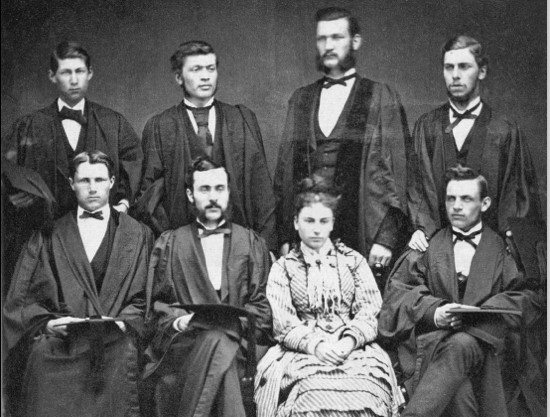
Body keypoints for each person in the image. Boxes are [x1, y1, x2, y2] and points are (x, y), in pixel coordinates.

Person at [378, 166, 542, 417]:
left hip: (494, 358)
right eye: (451, 199)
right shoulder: (427, 247)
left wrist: (486, 314)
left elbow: (530, 297)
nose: (456, 206)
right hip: (437, 354)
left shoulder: (504, 249)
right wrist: (434, 312)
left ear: (485, 203)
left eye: (466, 199)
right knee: (459, 380)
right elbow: (396, 298)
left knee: (464, 345)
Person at [3, 150, 153, 417]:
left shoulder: (138, 235)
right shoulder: (50, 233)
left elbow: (145, 299)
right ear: (72, 184)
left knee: (123, 356)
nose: (93, 188)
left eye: (99, 179)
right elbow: (24, 300)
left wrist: (124, 323)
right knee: (42, 357)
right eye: (84, 180)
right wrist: (46, 324)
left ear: (112, 182)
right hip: (64, 336)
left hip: (115, 337)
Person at [254, 176, 416, 417]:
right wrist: (316, 346)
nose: (316, 229)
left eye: (323, 221)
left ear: (332, 224)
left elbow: (370, 310)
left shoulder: (353, 261)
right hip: (300, 350)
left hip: (353, 348)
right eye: (309, 220)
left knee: (366, 390)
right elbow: (283, 321)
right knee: (312, 392)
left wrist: (348, 341)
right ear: (296, 223)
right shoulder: (283, 268)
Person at [144, 156, 272, 417]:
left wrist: (232, 322)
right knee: (215, 339)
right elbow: (156, 308)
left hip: (240, 346)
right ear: (190, 195)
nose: (213, 197)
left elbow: (262, 308)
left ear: (228, 192)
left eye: (219, 188)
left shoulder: (250, 242)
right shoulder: (170, 243)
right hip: (185, 347)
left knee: (219, 338)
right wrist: (181, 321)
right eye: (204, 189)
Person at [274, 7, 412, 267]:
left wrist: (386, 238)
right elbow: (285, 175)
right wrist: (284, 236)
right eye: (322, 38)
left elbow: (401, 173)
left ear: (355, 42)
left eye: (337, 37)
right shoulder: (301, 99)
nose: (328, 46)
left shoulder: (380, 96)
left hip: (362, 233)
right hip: (309, 236)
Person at [2, 41, 142, 285]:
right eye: (66, 72)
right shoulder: (28, 126)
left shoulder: (114, 124)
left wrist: (123, 204)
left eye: (79, 71)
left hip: (100, 244)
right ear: (52, 76)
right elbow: (8, 176)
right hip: (44, 245)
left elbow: (136, 170)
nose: (74, 80)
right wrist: (14, 199)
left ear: (90, 73)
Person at [135, 40, 276, 251]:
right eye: (196, 69)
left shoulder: (240, 120)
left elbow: (261, 191)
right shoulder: (161, 126)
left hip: (239, 250)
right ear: (178, 77)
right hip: (182, 251)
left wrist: (263, 248)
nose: (205, 76)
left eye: (210, 68)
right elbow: (150, 198)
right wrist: (173, 245)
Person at [408, 35, 542, 253]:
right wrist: (422, 230)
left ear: (482, 71)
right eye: (449, 67)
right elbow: (418, 191)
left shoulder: (504, 129)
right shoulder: (427, 126)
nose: (455, 75)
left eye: (464, 66)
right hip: (438, 251)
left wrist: (508, 241)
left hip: (492, 252)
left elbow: (517, 199)